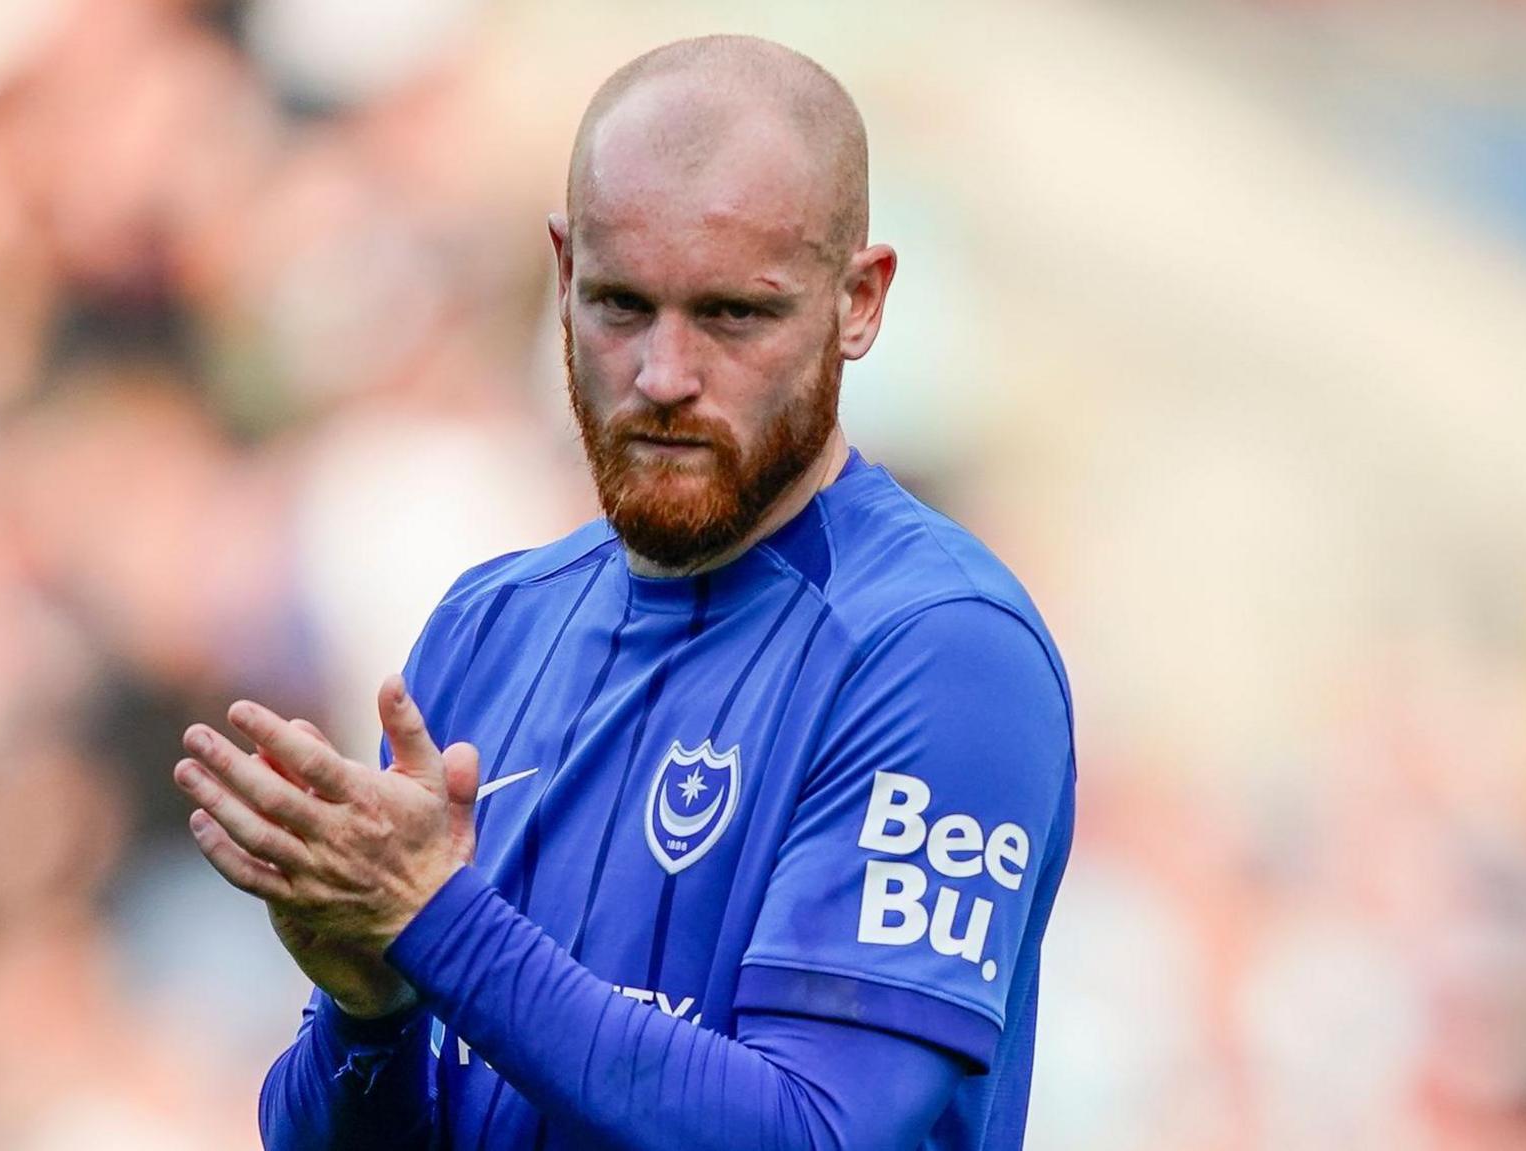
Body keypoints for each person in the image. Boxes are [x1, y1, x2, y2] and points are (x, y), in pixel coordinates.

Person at [171, 34, 1076, 1151]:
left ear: (859, 301)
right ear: (561, 276)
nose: (661, 376)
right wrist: (371, 1009)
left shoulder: (938, 654)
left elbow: (822, 1131)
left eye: (733, 315)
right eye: (619, 305)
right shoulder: (487, 626)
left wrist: (436, 928)